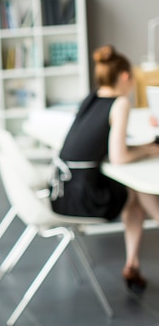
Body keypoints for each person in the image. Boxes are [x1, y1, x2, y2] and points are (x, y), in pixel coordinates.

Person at [51, 44, 159, 292]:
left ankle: (132, 263)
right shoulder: (120, 103)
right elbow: (119, 157)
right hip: (83, 199)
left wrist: (142, 146)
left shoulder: (93, 97)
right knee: (135, 193)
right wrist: (148, 149)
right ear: (124, 76)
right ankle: (133, 260)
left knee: (133, 195)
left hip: (62, 189)